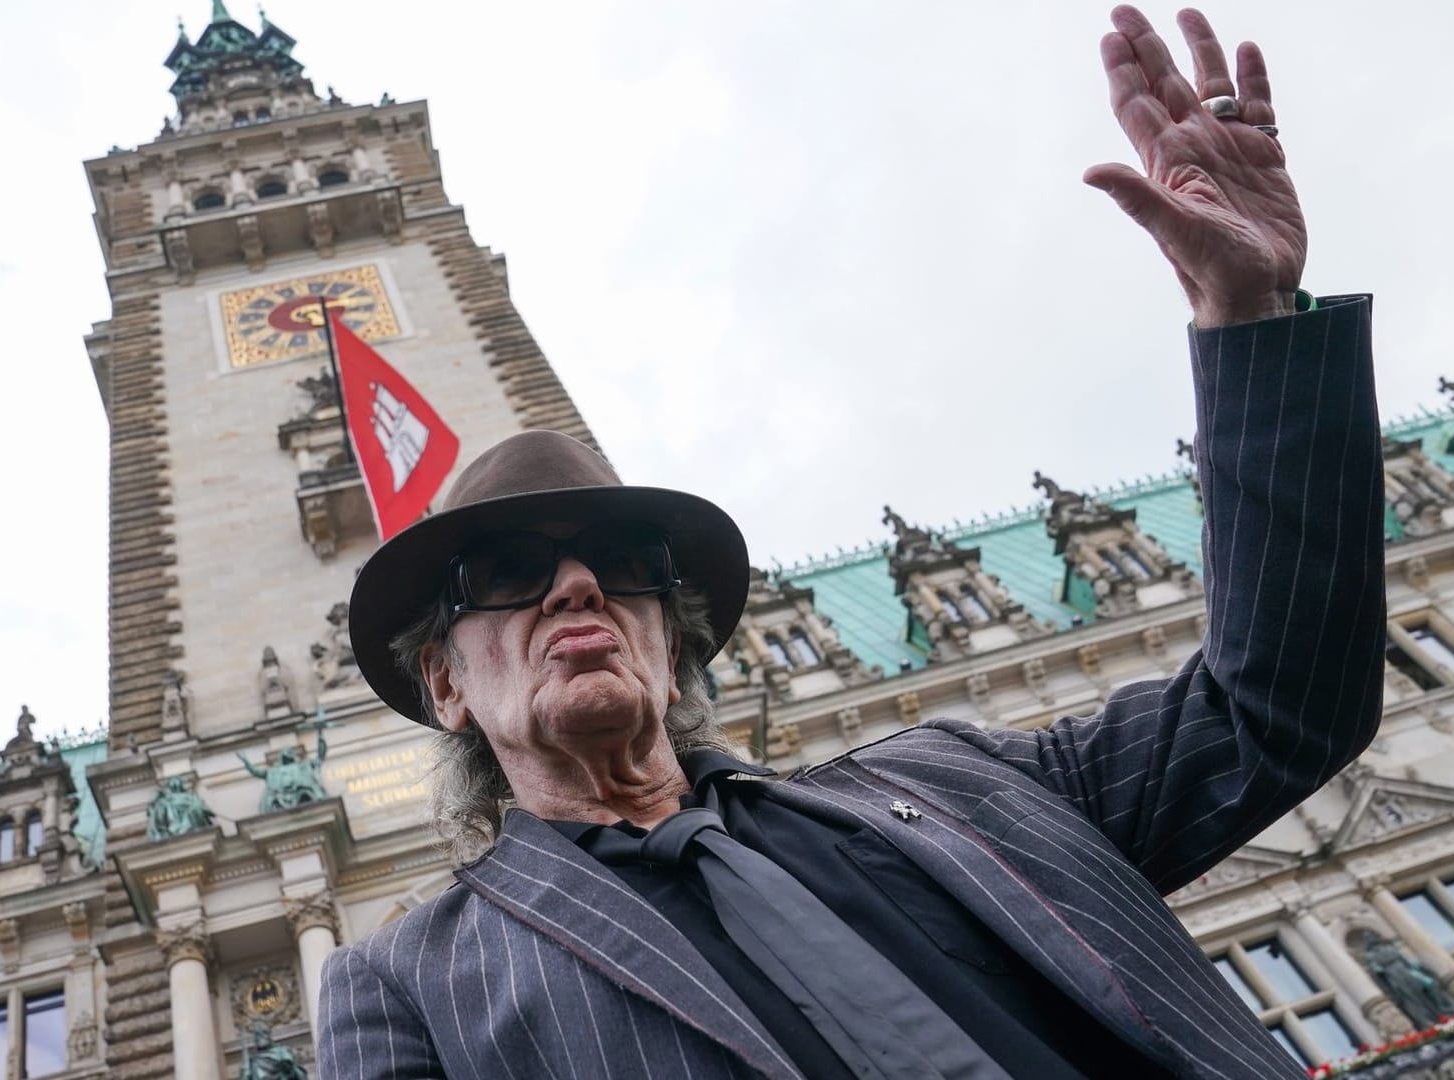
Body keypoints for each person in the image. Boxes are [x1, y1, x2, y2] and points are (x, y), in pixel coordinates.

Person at [319, 6, 1384, 1078]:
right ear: (444, 686)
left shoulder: (961, 780)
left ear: (674, 648)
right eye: (509, 574)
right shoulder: (412, 985)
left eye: (624, 563)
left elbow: (1275, 707)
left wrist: (1251, 320)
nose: (579, 585)